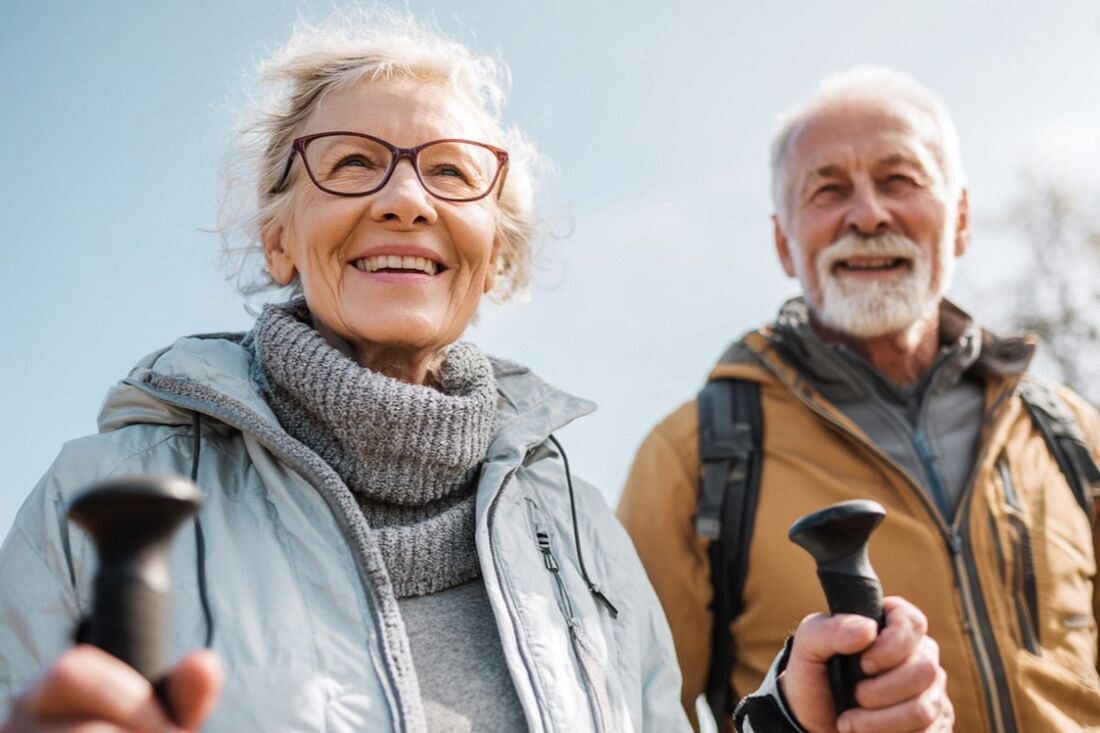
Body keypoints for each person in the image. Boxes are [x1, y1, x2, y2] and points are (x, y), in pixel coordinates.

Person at [0, 17, 951, 732]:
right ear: (278, 240)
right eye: (353, 163)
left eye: (452, 174)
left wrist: (786, 720)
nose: (406, 198)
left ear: (495, 256)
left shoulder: (580, 531)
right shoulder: (100, 503)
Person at [618, 65, 1100, 733]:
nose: (868, 214)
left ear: (959, 219)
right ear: (784, 242)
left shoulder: (1072, 434)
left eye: (900, 180)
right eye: (828, 190)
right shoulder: (691, 458)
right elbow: (625, 715)